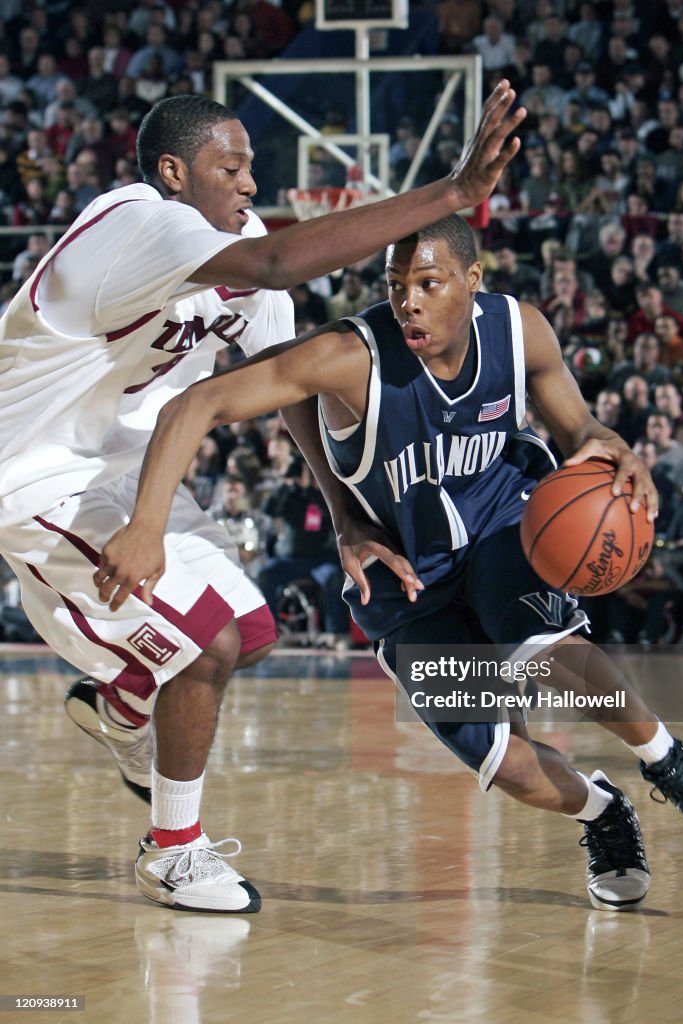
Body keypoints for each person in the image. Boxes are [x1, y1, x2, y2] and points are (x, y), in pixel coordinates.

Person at [95, 215, 683, 913]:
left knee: (540, 646)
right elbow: (202, 402)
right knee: (507, 763)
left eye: (428, 282)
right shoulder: (354, 356)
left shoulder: (519, 330)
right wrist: (326, 515)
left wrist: (610, 444)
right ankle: (602, 811)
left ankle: (672, 761)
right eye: (396, 284)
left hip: (506, 522)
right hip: (409, 575)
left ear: (472, 281)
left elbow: (581, 429)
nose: (408, 299)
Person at [0, 86, 527, 915]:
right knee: (201, 643)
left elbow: (284, 380)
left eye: (252, 168)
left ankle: (122, 701)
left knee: (251, 631)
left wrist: (347, 519)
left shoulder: (237, 243)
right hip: (34, 471)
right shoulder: (135, 219)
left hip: (129, 468)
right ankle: (174, 852)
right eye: (231, 166)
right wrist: (453, 193)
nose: (251, 184)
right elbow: (282, 264)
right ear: (175, 172)